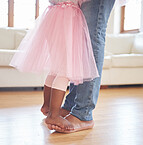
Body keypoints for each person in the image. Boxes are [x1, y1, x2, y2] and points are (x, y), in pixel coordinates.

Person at [42, 0, 131, 133]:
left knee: (89, 37)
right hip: (66, 17)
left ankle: (79, 111)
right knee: (65, 70)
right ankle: (57, 113)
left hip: (55, 17)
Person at [9, 0, 100, 131]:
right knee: (64, 71)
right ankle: (53, 115)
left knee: (55, 69)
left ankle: (47, 106)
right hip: (68, 20)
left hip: (52, 17)